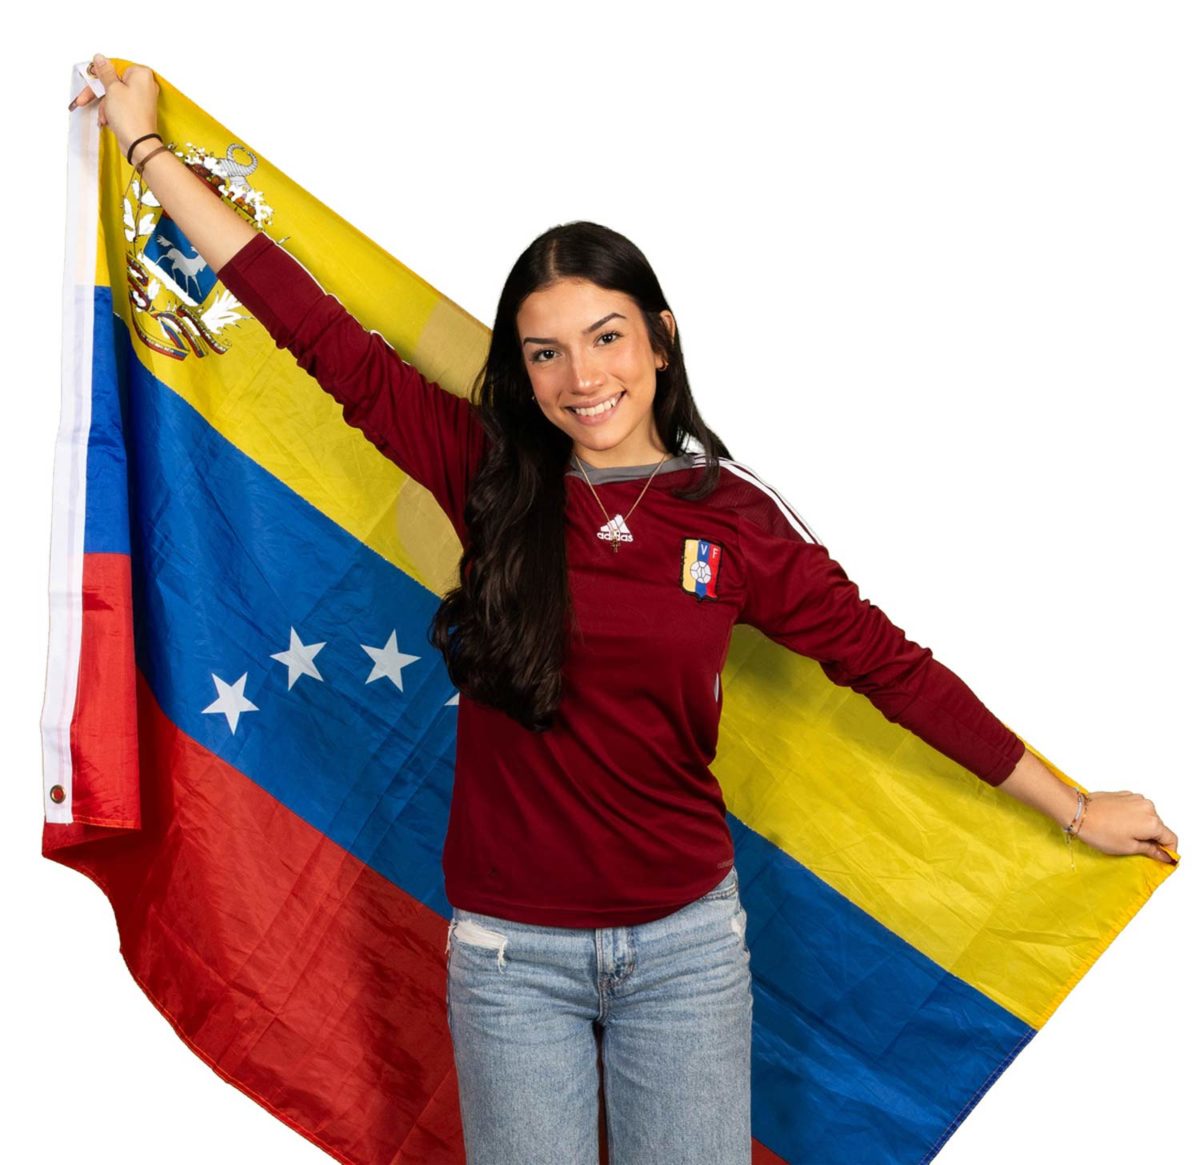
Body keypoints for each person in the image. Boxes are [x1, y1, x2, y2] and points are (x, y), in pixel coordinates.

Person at [75, 53, 1179, 1165]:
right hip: (510, 957)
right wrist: (146, 148)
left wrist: (1074, 804)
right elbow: (313, 328)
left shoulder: (732, 519)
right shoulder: (485, 471)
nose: (580, 375)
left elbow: (889, 666)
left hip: (687, 952)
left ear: (658, 337)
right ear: (521, 366)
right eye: (545, 351)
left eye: (606, 338)